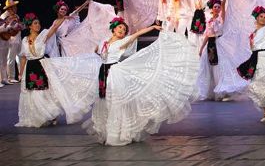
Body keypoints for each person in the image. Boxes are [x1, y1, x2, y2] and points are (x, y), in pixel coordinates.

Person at [43, 17, 199, 146]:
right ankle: (105, 131)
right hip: (103, 72)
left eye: (124, 30)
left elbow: (136, 35)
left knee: (115, 102)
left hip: (114, 72)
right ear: (113, 29)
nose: (122, 31)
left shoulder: (121, 43)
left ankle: (118, 133)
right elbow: (98, 52)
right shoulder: (105, 41)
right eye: (119, 29)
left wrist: (152, 28)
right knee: (103, 101)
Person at [15, 13, 66, 127]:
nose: (38, 25)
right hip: (30, 67)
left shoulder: (43, 36)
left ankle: (51, 114)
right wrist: (20, 73)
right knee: (32, 93)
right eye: (35, 23)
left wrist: (63, 18)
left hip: (41, 65)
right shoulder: (24, 40)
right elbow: (23, 57)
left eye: (38, 23)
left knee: (44, 92)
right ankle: (39, 116)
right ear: (30, 26)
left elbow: (54, 27)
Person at [197, 0, 226, 101]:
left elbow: (223, 5)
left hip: (218, 43)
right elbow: (207, 35)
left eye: (219, 7)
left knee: (218, 68)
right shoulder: (209, 20)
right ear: (212, 8)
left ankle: (220, 92)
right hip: (210, 44)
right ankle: (211, 91)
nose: (217, 8)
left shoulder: (221, 18)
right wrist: (201, 48)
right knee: (208, 68)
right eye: (215, 7)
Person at [1, 0, 22, 84]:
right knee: (10, 59)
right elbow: (3, 28)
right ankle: (11, 77)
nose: (16, 8)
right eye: (14, 7)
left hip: (18, 38)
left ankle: (21, 75)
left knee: (20, 57)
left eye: (15, 6)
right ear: (9, 8)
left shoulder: (16, 15)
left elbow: (18, 25)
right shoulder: (4, 16)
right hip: (10, 40)